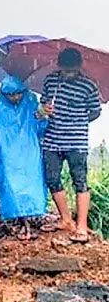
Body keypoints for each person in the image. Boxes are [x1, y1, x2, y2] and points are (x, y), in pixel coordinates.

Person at [40, 48, 102, 243]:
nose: (69, 75)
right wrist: (45, 109)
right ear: (59, 66)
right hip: (52, 139)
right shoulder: (51, 81)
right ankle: (66, 219)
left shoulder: (89, 86)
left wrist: (78, 120)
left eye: (72, 71)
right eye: (66, 71)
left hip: (76, 141)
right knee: (51, 178)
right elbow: (42, 105)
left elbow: (95, 111)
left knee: (80, 181)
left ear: (79, 67)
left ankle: (81, 226)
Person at [0, 76, 48, 241]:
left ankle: (27, 221)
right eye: (10, 94)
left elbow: (41, 129)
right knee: (10, 188)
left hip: (29, 152)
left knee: (30, 186)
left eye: (18, 93)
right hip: (6, 155)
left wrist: (42, 117)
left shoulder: (31, 106)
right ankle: (20, 222)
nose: (15, 97)